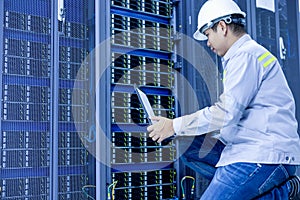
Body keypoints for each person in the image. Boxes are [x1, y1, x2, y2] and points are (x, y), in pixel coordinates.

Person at [147, 0, 300, 199]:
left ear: (222, 27)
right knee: (184, 143)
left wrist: (175, 125)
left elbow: (226, 113)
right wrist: (177, 131)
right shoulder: (240, 58)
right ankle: (243, 190)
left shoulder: (246, 57)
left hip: (262, 154)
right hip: (244, 147)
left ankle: (285, 192)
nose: (207, 42)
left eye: (208, 35)